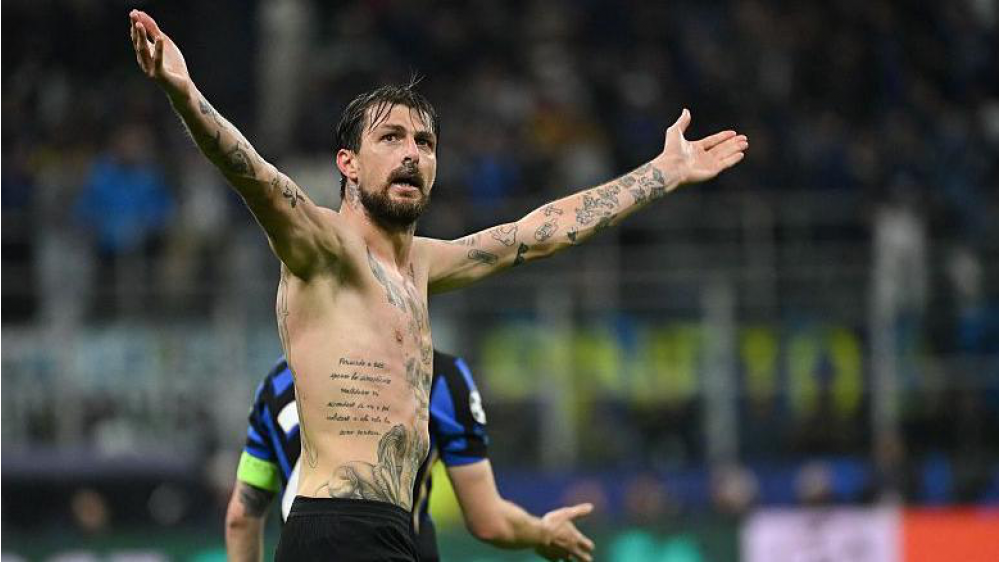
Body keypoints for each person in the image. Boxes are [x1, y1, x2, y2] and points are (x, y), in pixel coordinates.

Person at [128, 9, 747, 560]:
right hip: (335, 529)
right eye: (391, 138)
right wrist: (183, 91)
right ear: (348, 164)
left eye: (424, 142)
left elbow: (542, 231)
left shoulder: (423, 265)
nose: (412, 153)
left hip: (395, 530)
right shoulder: (323, 248)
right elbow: (254, 176)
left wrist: (660, 174)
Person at [225, 351, 594, 561]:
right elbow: (489, 521)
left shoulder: (277, 381)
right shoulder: (438, 376)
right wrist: (542, 532)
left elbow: (241, 517)